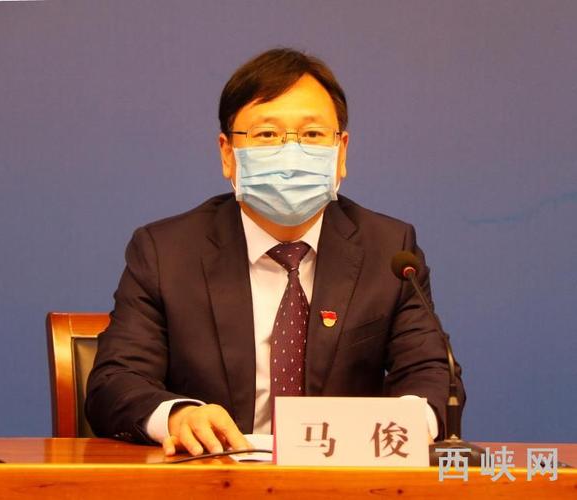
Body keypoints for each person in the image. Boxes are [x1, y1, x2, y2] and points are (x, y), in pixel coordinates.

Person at [85, 48, 465, 457]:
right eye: (267, 135)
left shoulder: (389, 250)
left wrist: (409, 424)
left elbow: (431, 373)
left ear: (341, 152)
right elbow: (115, 381)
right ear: (228, 154)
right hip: (212, 475)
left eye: (312, 135)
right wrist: (178, 416)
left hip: (342, 477)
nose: (291, 153)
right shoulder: (166, 253)